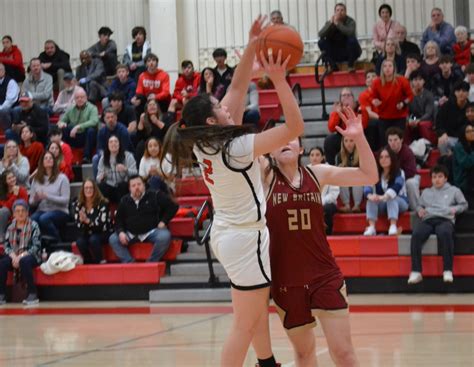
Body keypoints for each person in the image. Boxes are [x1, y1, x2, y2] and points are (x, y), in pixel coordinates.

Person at [161, 16, 304, 367]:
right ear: (213, 120)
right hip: (244, 238)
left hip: (227, 234)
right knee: (244, 323)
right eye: (219, 106)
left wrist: (253, 44)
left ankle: (267, 362)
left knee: (249, 309)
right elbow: (295, 127)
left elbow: (237, 91)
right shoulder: (236, 146)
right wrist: (280, 81)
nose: (226, 106)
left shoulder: (203, 141)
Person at [264, 108, 376, 367]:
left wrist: (359, 137)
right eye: (277, 140)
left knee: (344, 354)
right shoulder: (265, 178)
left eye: (290, 138)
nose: (284, 142)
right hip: (286, 281)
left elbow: (369, 175)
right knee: (304, 355)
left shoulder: (317, 173)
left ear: (301, 149)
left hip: (324, 276)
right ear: (269, 150)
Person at [408, 165, 468, 284]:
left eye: (440, 176)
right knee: (416, 234)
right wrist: (419, 210)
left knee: (445, 233)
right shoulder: (426, 192)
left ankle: (447, 270)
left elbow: (464, 205)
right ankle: (416, 271)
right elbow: (419, 205)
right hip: (428, 219)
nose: (437, 179)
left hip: (445, 219)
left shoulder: (454, 190)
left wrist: (454, 209)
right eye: (434, 177)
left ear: (445, 178)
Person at [109, 175, 177, 263]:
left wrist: (164, 221)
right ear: (129, 188)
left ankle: (151, 261)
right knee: (113, 239)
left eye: (139, 184)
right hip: (130, 233)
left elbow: (173, 206)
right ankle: (129, 262)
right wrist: (121, 232)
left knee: (165, 236)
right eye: (133, 186)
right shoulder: (124, 200)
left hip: (151, 232)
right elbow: (118, 220)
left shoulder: (155, 195)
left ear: (144, 185)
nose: (137, 187)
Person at [0, 199, 41, 305]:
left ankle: (32, 294)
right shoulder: (10, 227)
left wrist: (20, 257)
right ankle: (2, 295)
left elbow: (36, 246)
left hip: (31, 256)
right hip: (15, 256)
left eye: (23, 210)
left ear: (27, 212)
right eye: (17, 211)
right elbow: (7, 246)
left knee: (24, 261)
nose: (20, 213)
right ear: (13, 214)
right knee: (3, 262)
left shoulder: (34, 225)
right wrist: (14, 257)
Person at [363, 147, 408, 236]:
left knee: (391, 198)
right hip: (383, 202)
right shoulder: (376, 173)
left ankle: (393, 225)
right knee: (371, 200)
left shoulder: (399, 172)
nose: (384, 159)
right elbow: (367, 186)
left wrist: (384, 197)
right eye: (381, 157)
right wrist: (370, 196)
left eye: (387, 157)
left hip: (400, 202)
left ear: (392, 158)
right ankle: (371, 227)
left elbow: (397, 187)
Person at [29, 151, 70, 243]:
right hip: (42, 210)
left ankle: (58, 242)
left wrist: (47, 196)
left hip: (60, 210)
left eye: (50, 158)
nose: (48, 160)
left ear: (54, 161)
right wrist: (36, 199)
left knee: (44, 218)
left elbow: (65, 200)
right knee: (32, 220)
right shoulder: (36, 179)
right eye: (46, 158)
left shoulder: (62, 178)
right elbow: (31, 202)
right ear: (42, 162)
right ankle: (39, 243)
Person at [370, 59, 413, 146]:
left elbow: (410, 96)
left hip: (399, 117)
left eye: (390, 66)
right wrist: (375, 101)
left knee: (398, 142)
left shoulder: (402, 80)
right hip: (383, 117)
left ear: (394, 68)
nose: (387, 68)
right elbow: (372, 97)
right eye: (385, 66)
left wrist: (403, 103)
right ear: (382, 69)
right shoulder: (376, 82)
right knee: (384, 142)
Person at [324, 87, 369, 165]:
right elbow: (331, 128)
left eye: (349, 95)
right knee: (329, 140)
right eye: (344, 95)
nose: (346, 97)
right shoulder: (337, 110)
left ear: (353, 98)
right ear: (340, 99)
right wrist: (337, 113)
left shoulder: (360, 108)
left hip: (357, 136)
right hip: (343, 136)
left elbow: (364, 125)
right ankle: (330, 165)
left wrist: (351, 110)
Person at [73, 179, 111, 264]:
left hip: (103, 232)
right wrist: (81, 221)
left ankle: (100, 261)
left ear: (95, 189)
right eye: (86, 188)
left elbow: (102, 224)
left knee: (93, 239)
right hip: (87, 232)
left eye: (91, 188)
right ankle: (89, 261)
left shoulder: (103, 203)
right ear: (83, 190)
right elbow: (78, 225)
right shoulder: (78, 204)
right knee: (80, 242)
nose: (88, 190)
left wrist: (87, 221)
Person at [57, 88, 100, 163]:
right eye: (77, 98)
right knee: (64, 128)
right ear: (74, 99)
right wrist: (61, 123)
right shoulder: (70, 109)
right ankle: (62, 155)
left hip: (86, 138)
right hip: (74, 137)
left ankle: (86, 157)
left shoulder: (92, 108)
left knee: (91, 130)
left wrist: (78, 126)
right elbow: (61, 121)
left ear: (86, 98)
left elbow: (94, 121)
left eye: (82, 97)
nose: (79, 99)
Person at [318, 3, 362, 72]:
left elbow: (350, 33)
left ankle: (350, 66)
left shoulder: (351, 21)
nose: (340, 12)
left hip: (348, 52)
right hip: (335, 52)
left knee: (352, 39)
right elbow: (320, 34)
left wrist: (338, 24)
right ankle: (333, 66)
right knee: (321, 42)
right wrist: (330, 24)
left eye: (342, 10)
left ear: (345, 12)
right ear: (335, 12)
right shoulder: (330, 22)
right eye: (337, 10)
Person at [307, 146, 340, 235]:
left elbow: (333, 193)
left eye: (317, 155)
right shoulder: (304, 172)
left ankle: (327, 234)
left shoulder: (330, 170)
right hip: (310, 202)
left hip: (328, 203)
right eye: (312, 155)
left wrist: (319, 202)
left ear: (322, 157)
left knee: (327, 209)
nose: (314, 157)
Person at [97, 135, 137, 204]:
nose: (113, 144)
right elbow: (98, 178)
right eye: (111, 142)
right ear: (108, 145)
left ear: (119, 144)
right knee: (101, 186)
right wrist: (101, 176)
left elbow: (135, 173)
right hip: (110, 187)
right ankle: (105, 209)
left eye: (116, 141)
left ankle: (122, 209)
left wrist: (125, 169)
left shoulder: (128, 156)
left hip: (124, 187)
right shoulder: (103, 158)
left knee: (123, 185)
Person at [386, 127, 420, 210]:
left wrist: (397, 178)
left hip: (408, 177)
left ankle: (415, 208)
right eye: (390, 140)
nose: (393, 143)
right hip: (391, 177)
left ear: (401, 140)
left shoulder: (407, 152)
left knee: (411, 183)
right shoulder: (385, 151)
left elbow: (411, 172)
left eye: (395, 140)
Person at [435, 81, 470, 155]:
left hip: (466, 139)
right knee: (442, 141)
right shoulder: (447, 106)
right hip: (450, 137)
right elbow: (439, 122)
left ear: (468, 93)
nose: (461, 93)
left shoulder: (471, 108)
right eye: (458, 91)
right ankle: (446, 161)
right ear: (455, 93)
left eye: (463, 91)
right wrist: (442, 133)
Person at [405, 70, 436, 145]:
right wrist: (409, 120)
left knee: (422, 125)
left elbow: (428, 113)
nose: (418, 82)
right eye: (415, 80)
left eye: (420, 79)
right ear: (411, 82)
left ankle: (428, 146)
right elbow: (406, 112)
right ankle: (407, 147)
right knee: (404, 124)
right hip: (413, 120)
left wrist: (419, 120)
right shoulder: (408, 96)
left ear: (424, 81)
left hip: (426, 120)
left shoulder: (429, 95)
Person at [336, 137, 363, 213]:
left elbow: (363, 171)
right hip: (346, 180)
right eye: (346, 141)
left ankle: (357, 205)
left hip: (358, 180)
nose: (348, 143)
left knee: (357, 180)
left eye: (351, 140)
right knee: (341, 178)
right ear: (343, 142)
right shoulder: (339, 156)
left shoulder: (361, 154)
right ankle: (347, 205)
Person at [0, 170, 28, 243]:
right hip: (7, 216)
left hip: (20, 214)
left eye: (13, 177)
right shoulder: (2, 192)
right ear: (5, 181)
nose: (12, 179)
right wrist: (14, 196)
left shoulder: (21, 190)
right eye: (9, 178)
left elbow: (25, 205)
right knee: (3, 211)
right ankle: (1, 237)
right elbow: (6, 207)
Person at [453, 123, 474, 208]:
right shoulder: (459, 146)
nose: (472, 133)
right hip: (463, 181)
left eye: (473, 130)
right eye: (468, 131)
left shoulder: (472, 145)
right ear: (463, 134)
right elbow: (467, 163)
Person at [358, 69, 380, 150]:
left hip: (384, 118)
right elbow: (369, 113)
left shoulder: (383, 92)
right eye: (368, 77)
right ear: (366, 81)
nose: (371, 78)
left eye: (373, 76)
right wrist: (383, 118)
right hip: (375, 120)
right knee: (373, 123)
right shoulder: (363, 95)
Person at [0, 62, 19, 130]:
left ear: (4, 71)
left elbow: (10, 101)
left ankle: (7, 131)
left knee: (4, 111)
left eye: (0, 69)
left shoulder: (11, 82)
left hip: (11, 108)